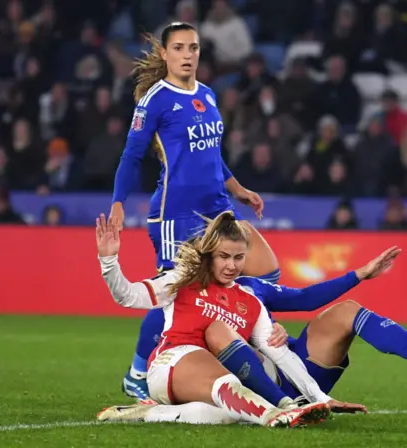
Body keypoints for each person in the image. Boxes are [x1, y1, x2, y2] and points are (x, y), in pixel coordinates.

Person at [98, 212, 407, 426]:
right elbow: (128, 295)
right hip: (179, 365)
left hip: (250, 377)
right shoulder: (183, 280)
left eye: (238, 258)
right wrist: (109, 260)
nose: (232, 265)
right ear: (210, 254)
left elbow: (299, 311)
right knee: (221, 340)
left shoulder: (251, 294)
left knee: (221, 415)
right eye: (225, 257)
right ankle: (280, 409)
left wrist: (321, 397)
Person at [109, 22, 281, 399]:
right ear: (166, 54)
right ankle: (138, 373)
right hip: (177, 214)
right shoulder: (155, 99)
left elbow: (212, 155)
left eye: (194, 48)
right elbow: (131, 155)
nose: (188, 55)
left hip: (217, 211)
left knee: (259, 274)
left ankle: (251, 352)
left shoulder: (207, 94)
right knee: (176, 294)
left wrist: (238, 189)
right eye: (180, 48)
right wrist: (118, 202)